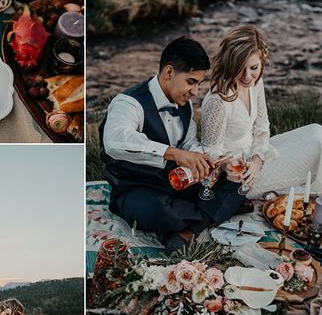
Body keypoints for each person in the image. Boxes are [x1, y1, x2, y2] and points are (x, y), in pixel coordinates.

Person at [100, 37, 245, 250]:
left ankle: (183, 229)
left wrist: (204, 159)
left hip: (173, 182)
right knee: (161, 211)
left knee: (235, 182)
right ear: (169, 72)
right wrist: (173, 154)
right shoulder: (128, 102)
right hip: (134, 186)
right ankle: (205, 215)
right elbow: (115, 140)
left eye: (199, 83)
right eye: (191, 82)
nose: (196, 91)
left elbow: (188, 143)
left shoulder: (184, 105)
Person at [200, 24, 322, 197]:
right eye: (240, 68)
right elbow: (211, 151)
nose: (247, 76)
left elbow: (262, 126)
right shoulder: (217, 100)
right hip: (238, 176)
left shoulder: (255, 83)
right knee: (316, 152)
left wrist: (258, 160)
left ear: (261, 62)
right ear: (230, 63)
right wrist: (229, 165)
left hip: (258, 155)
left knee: (317, 132)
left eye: (254, 68)